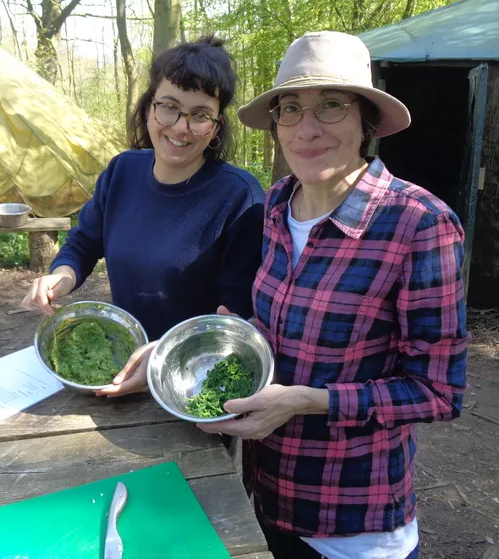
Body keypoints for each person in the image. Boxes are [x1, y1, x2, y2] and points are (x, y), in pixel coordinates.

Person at [199, 31, 470, 559]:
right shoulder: (278, 202)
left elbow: (438, 392)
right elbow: (286, 328)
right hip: (267, 490)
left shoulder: (419, 224)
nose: (307, 127)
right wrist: (243, 337)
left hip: (352, 521)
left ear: (366, 120)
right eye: (290, 108)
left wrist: (307, 402)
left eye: (330, 106)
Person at [22, 35, 265, 397]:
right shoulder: (122, 171)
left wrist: (163, 361)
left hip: (193, 384)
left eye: (199, 115)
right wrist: (62, 275)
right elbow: (85, 241)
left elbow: (233, 318)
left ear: (215, 126)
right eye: (169, 107)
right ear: (149, 107)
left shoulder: (239, 196)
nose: (181, 127)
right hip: (121, 363)